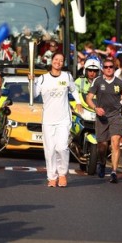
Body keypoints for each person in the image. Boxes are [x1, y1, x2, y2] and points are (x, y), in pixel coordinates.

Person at [30, 52, 82, 187]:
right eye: (56, 59)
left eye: (61, 60)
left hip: (63, 118)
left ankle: (62, 174)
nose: (58, 62)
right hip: (48, 119)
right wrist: (31, 81)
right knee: (50, 149)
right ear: (51, 61)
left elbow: (74, 90)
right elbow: (34, 94)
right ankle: (52, 177)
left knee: (62, 147)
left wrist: (78, 102)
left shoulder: (67, 76)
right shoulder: (42, 78)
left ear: (63, 63)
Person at [86, 58, 122, 183]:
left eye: (111, 67)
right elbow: (89, 98)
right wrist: (96, 108)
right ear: (102, 69)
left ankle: (114, 172)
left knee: (115, 144)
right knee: (102, 146)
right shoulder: (97, 81)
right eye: (106, 67)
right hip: (102, 117)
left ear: (114, 68)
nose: (109, 69)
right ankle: (102, 162)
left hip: (116, 116)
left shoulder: (120, 82)